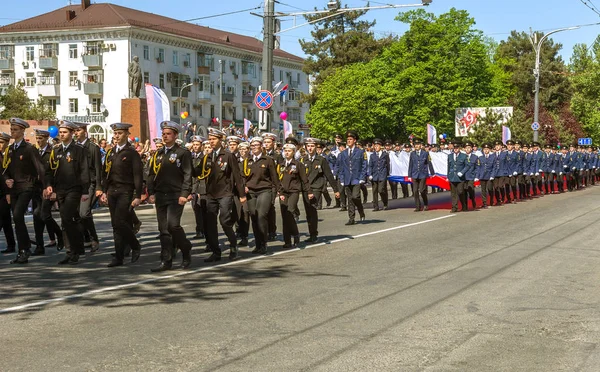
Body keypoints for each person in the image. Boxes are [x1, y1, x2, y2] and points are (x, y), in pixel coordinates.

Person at [148, 121, 193, 272]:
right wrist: (151, 192)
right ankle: (166, 260)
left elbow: (188, 175)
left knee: (172, 225)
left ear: (175, 136)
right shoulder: (158, 154)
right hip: (161, 195)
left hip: (176, 195)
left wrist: (185, 193)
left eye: (168, 134)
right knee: (163, 229)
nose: (165, 136)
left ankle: (185, 249)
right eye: (163, 134)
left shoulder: (182, 153)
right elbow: (151, 174)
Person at [45, 120, 90, 265]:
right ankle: (70, 251)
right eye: (61, 132)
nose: (62, 134)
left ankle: (76, 250)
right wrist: (49, 186)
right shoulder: (56, 150)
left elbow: (84, 171)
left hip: (74, 189)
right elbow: (49, 171)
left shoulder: (79, 150)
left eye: (65, 132)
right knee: (67, 221)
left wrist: (85, 190)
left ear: (71, 133)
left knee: (66, 216)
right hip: (60, 190)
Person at [3, 118, 46, 264]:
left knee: (17, 215)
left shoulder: (29, 149)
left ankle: (25, 249)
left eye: (15, 129)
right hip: (14, 188)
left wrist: (46, 186)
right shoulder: (10, 149)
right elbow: (5, 170)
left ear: (22, 131)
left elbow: (40, 168)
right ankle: (23, 248)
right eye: (12, 129)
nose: (13, 132)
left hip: (27, 186)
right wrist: (6, 180)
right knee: (17, 219)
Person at [101, 123, 144, 267]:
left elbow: (138, 175)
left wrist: (138, 195)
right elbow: (106, 173)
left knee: (120, 221)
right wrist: (103, 190)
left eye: (119, 133)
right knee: (115, 224)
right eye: (115, 133)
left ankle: (135, 245)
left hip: (125, 190)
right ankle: (119, 256)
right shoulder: (111, 152)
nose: (116, 136)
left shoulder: (131, 153)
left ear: (126, 134)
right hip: (112, 191)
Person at [200, 128, 245, 262]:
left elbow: (237, 176)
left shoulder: (228, 156)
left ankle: (233, 245)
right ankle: (216, 251)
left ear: (221, 140)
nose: (211, 142)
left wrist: (241, 194)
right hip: (211, 194)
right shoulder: (207, 157)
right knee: (210, 223)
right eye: (210, 139)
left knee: (224, 221)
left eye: (214, 139)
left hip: (225, 193)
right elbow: (198, 172)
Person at [243, 137, 279, 254]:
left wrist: (276, 192)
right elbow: (242, 176)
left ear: (261, 146)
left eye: (256, 145)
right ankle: (258, 244)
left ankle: (263, 243)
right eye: (252, 145)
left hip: (265, 190)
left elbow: (274, 178)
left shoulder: (268, 160)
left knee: (261, 215)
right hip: (251, 192)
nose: (253, 147)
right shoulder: (246, 161)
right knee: (253, 216)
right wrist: (244, 186)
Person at [31, 129, 63, 256]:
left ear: (46, 139)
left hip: (49, 188)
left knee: (43, 214)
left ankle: (59, 234)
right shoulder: (34, 151)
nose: (39, 141)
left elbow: (54, 172)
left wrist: (53, 189)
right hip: (36, 188)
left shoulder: (52, 152)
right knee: (36, 217)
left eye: (41, 139)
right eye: (37, 138)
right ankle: (39, 246)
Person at [301, 138, 339, 243]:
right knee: (308, 211)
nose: (310, 148)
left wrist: (335, 189)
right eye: (308, 146)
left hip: (316, 188)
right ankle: (311, 232)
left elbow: (329, 175)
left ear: (316, 147)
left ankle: (314, 234)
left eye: (312, 146)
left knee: (312, 209)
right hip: (305, 189)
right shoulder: (302, 160)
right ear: (305, 147)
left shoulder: (321, 160)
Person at [74, 122, 103, 252]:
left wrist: (99, 187)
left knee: (84, 213)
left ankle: (94, 238)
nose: (76, 133)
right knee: (78, 214)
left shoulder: (92, 147)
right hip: (77, 185)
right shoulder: (74, 147)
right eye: (74, 131)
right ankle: (85, 238)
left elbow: (98, 168)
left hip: (90, 183)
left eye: (78, 130)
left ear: (85, 131)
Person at [278, 143, 313, 247]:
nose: (287, 152)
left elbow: (304, 179)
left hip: (294, 191)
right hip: (283, 193)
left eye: (289, 151)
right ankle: (287, 241)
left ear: (293, 152)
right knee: (285, 216)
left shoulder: (298, 164)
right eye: (285, 151)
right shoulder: (281, 165)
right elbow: (278, 180)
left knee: (290, 212)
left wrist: (309, 191)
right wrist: (279, 192)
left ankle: (296, 234)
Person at [336, 130, 367, 225]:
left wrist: (362, 177)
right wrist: (341, 178)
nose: (348, 141)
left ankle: (361, 210)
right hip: (347, 179)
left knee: (355, 196)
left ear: (355, 140)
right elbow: (341, 167)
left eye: (350, 139)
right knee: (350, 199)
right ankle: (351, 218)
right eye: (348, 139)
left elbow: (364, 165)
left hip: (356, 178)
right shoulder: (343, 153)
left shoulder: (360, 152)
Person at [262, 132, 281, 240]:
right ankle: (265, 230)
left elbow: (279, 172)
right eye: (265, 142)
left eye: (268, 142)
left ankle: (272, 230)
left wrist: (279, 187)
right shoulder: (261, 155)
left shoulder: (277, 157)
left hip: (272, 185)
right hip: (263, 184)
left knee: (270, 207)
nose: (266, 144)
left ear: (273, 144)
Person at [0, 132, 15, 254]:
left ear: (6, 143)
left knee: (3, 219)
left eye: (1, 142)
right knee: (5, 220)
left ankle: (11, 244)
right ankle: (11, 244)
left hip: (6, 192)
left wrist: (8, 193)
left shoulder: (10, 155)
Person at [408, 139, 432, 212]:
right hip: (414, 174)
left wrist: (432, 173)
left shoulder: (425, 153)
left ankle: (425, 203)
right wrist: (409, 175)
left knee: (422, 190)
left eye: (418, 144)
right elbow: (410, 164)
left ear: (420, 145)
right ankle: (418, 206)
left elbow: (429, 163)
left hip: (423, 174)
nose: (417, 146)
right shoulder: (412, 154)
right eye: (415, 145)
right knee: (415, 191)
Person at [189, 136, 206, 240]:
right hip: (192, 187)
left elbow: (202, 175)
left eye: (197, 145)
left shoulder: (204, 158)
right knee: (196, 209)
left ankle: (203, 230)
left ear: (201, 146)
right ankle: (199, 230)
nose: (195, 147)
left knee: (202, 210)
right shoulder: (189, 158)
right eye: (194, 145)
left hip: (200, 188)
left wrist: (200, 189)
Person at [368, 138, 389, 211]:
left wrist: (388, 174)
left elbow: (388, 165)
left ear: (381, 146)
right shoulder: (372, 156)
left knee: (381, 190)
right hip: (374, 175)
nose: (376, 147)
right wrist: (370, 174)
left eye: (377, 145)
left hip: (382, 175)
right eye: (375, 146)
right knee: (374, 191)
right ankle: (376, 206)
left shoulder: (385, 155)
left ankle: (385, 202)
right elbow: (370, 165)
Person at [447, 141, 468, 213]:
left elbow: (467, 166)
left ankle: (464, 205)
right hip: (452, 177)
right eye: (454, 148)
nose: (455, 149)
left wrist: (462, 172)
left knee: (460, 191)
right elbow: (449, 167)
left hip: (460, 178)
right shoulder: (450, 156)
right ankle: (454, 207)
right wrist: (448, 176)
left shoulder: (464, 156)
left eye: (457, 148)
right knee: (453, 193)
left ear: (459, 148)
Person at [477, 143, 496, 209]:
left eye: (487, 149)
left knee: (490, 188)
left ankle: (491, 200)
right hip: (482, 176)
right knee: (483, 190)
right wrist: (477, 176)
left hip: (489, 176)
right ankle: (484, 203)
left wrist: (492, 175)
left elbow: (494, 167)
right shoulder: (480, 158)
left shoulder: (493, 157)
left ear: (489, 150)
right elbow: (478, 167)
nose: (486, 150)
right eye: (484, 149)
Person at [463, 141, 479, 210]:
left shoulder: (475, 157)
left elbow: (477, 167)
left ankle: (473, 202)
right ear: (464, 149)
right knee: (464, 191)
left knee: (471, 190)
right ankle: (465, 206)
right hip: (463, 177)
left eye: (469, 148)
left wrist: (476, 176)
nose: (467, 149)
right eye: (466, 148)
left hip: (471, 177)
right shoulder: (462, 157)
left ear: (471, 148)